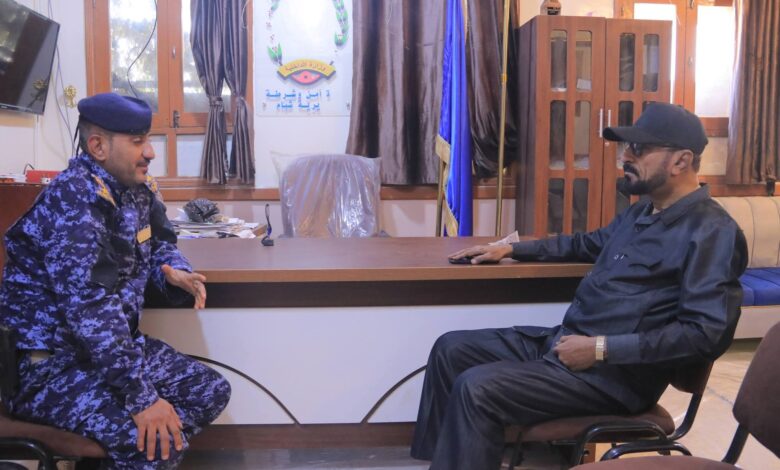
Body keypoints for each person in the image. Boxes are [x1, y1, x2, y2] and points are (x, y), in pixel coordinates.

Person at [410, 103, 748, 470]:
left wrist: (601, 349)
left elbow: (704, 334)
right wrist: (511, 249)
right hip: (570, 344)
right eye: (626, 147)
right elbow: (586, 243)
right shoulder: (643, 211)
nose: (625, 157)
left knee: (477, 388)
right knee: (450, 349)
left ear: (681, 161)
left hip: (616, 378)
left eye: (639, 149)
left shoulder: (713, 232)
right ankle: (443, 462)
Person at [0, 93, 231, 469]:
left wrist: (173, 271)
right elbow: (92, 311)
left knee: (209, 391)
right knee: (157, 445)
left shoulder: (135, 190)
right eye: (138, 142)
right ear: (98, 147)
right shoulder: (74, 203)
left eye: (147, 140)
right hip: (51, 367)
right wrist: (143, 400)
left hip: (108, 352)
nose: (150, 152)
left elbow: (160, 242)